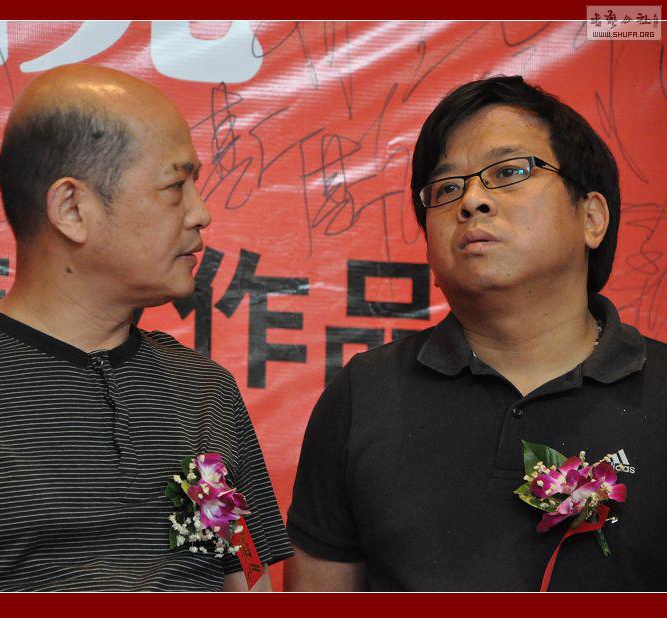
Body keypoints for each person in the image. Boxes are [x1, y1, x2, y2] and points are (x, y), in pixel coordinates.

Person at [0, 64, 292, 591]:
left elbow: (246, 577)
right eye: (176, 186)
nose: (201, 213)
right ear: (72, 208)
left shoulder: (203, 393)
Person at [284, 75, 667, 591]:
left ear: (592, 218)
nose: (471, 201)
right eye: (446, 188)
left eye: (509, 172)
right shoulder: (365, 393)